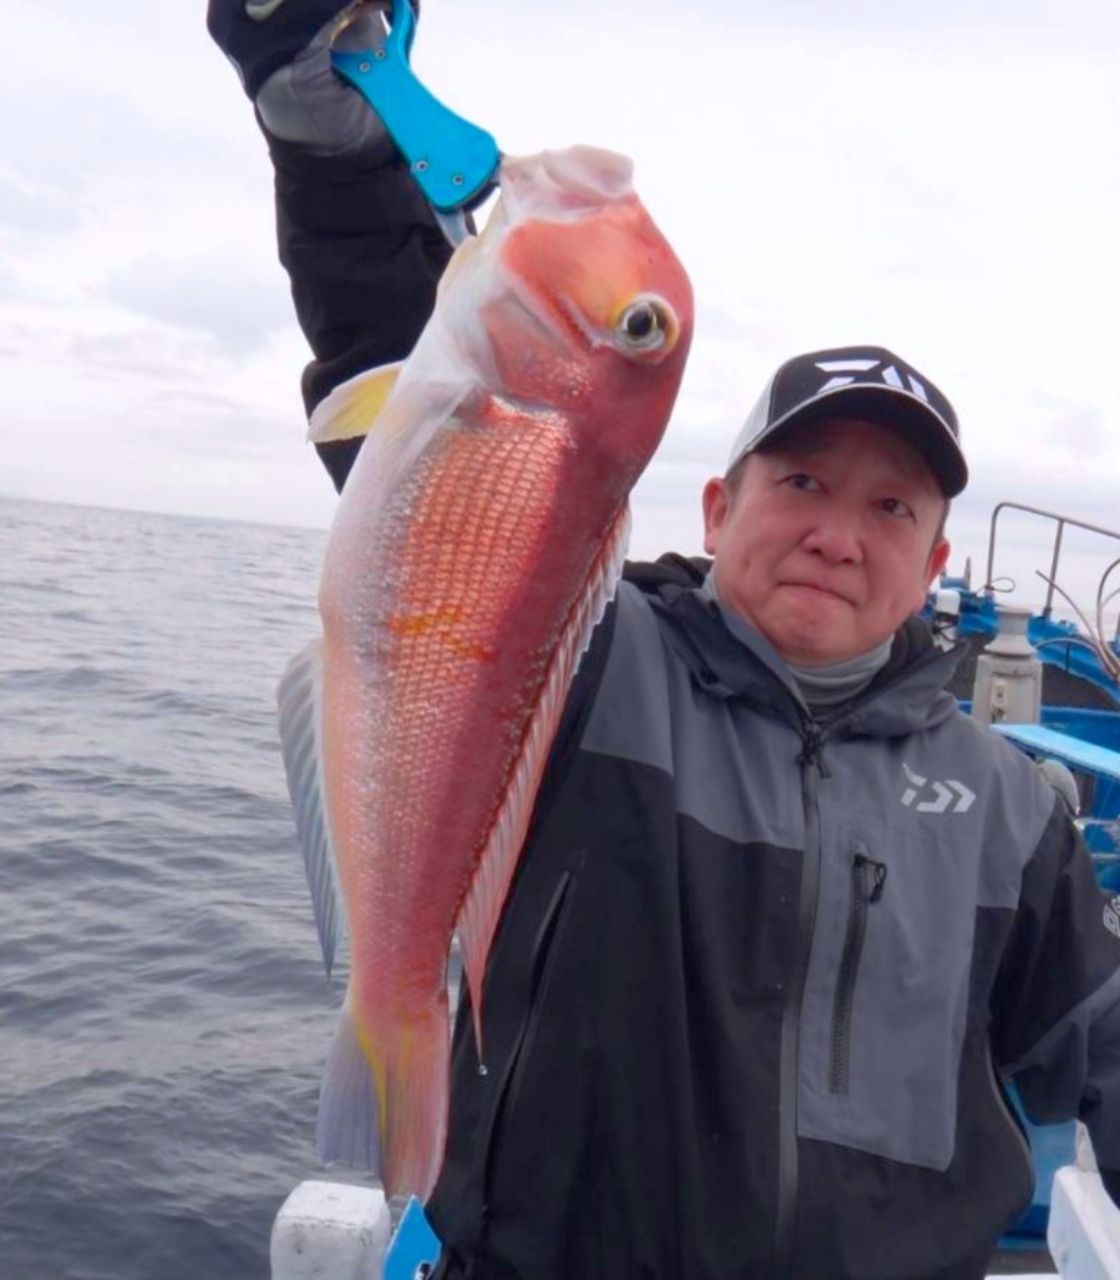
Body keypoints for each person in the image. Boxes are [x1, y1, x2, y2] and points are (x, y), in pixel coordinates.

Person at [209, 5, 1120, 1276]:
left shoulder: (1011, 811)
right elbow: (403, 415)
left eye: (889, 507)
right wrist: (329, 143)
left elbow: (1101, 1041)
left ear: (933, 567)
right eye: (799, 483)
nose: (836, 534)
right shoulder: (590, 665)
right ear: (716, 505)